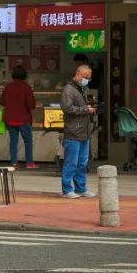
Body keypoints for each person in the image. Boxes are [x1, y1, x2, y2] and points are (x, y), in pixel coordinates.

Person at [60, 57, 97, 199]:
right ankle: (67, 189)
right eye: (86, 77)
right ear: (79, 74)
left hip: (83, 132)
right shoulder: (69, 89)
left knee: (82, 163)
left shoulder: (80, 88)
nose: (88, 80)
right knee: (71, 162)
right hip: (73, 131)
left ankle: (81, 188)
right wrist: (85, 109)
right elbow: (67, 108)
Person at [0, 66, 37, 169]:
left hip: (10, 119)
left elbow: (2, 102)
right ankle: (29, 163)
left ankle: (14, 163)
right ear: (24, 75)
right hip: (23, 119)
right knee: (28, 141)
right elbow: (31, 104)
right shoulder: (26, 87)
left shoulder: (8, 86)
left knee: (13, 142)